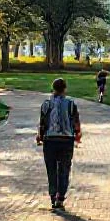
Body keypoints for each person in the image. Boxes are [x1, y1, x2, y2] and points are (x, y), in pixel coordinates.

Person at [36, 78, 81, 209]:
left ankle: (52, 196)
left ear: (53, 88)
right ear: (65, 89)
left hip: (50, 140)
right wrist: (77, 134)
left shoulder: (46, 104)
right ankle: (60, 197)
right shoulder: (71, 104)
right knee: (64, 169)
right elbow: (75, 122)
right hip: (66, 140)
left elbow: (42, 122)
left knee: (51, 169)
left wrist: (40, 136)